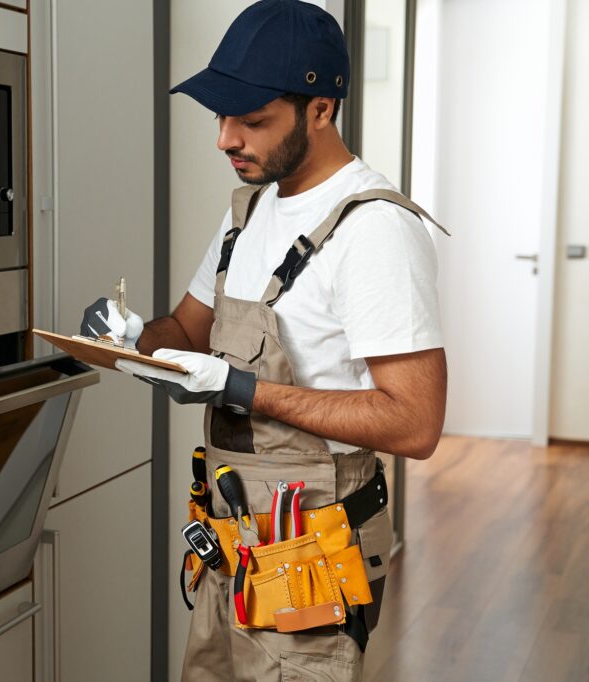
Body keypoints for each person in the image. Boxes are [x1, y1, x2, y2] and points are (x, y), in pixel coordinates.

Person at [80, 1, 447, 680]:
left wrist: (241, 388)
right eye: (221, 117)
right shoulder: (247, 211)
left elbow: (416, 422)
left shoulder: (374, 232)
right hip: (233, 544)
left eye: (252, 121)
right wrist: (136, 341)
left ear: (320, 109)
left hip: (311, 556)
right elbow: (185, 329)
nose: (225, 139)